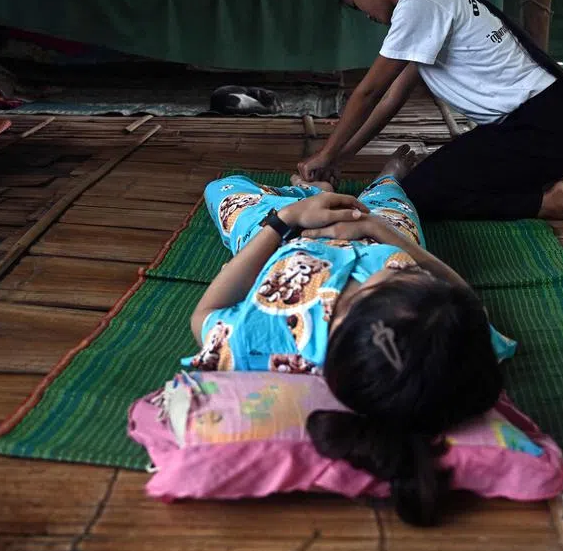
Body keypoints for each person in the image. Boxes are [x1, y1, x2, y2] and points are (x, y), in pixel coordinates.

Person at [187, 147, 511, 525]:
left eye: (403, 275)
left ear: (362, 313)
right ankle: (384, 179)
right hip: (381, 231)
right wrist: (383, 234)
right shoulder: (452, 340)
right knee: (388, 201)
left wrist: (283, 221)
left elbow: (203, 317)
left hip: (284, 237)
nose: (418, 273)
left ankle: (307, 192)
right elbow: (470, 303)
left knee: (222, 189)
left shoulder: (275, 332)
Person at [297, 0, 563, 222]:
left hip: (542, 131)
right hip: (554, 124)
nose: (365, 16)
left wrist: (325, 153)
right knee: (445, 174)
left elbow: (370, 92)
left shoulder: (419, 2)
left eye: (355, 4)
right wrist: (340, 157)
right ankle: (548, 179)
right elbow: (392, 99)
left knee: (417, 197)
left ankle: (546, 202)